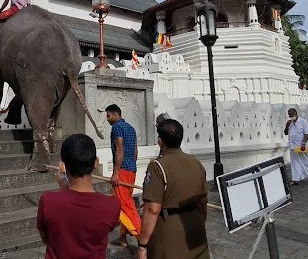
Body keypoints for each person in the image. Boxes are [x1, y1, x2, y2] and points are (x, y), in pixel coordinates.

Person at [36, 134, 120, 259]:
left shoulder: (48, 201)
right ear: (96, 162)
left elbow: (46, 238)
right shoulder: (112, 205)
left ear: (62, 166)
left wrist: (63, 190)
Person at [137, 119, 209, 259]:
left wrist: (142, 245)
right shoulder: (196, 162)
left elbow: (152, 209)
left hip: (170, 230)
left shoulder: (157, 166)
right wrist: (199, 223)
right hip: (195, 226)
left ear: (160, 141)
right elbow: (203, 201)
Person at [105, 104, 141, 247]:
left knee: (125, 206)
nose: (107, 119)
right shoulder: (131, 128)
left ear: (115, 114)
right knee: (126, 201)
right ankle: (122, 238)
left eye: (108, 115)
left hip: (123, 171)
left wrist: (116, 172)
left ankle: (143, 237)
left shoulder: (117, 128)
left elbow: (119, 149)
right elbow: (135, 152)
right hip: (132, 169)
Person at [284, 108, 308, 185]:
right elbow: (286, 133)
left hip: (301, 146)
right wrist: (287, 126)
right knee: (294, 163)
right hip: (292, 146)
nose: (291, 117)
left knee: (306, 161)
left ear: (296, 113)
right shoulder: (290, 123)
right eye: (289, 115)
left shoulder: (303, 122)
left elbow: (307, 133)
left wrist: (303, 143)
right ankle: (295, 179)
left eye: (292, 115)